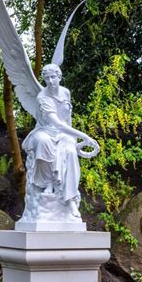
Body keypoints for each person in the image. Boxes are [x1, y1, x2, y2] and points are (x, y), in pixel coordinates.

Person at [21, 63, 97, 219]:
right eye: (46, 78)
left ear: (59, 77)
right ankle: (47, 184)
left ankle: (69, 201)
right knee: (43, 142)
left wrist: (75, 141)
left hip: (64, 133)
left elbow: (67, 119)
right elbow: (56, 123)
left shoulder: (66, 93)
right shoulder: (43, 97)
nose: (50, 81)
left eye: (53, 77)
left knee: (69, 151)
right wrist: (85, 136)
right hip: (45, 130)